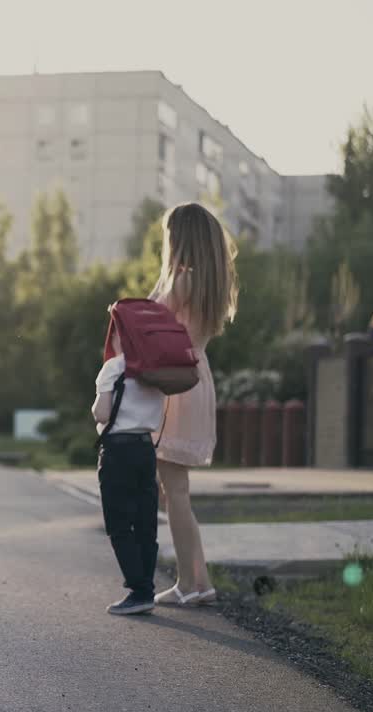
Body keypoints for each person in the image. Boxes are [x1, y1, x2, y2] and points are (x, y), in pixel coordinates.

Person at [146, 203, 237, 606]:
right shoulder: (204, 283)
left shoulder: (182, 283)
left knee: (175, 489)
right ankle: (198, 582)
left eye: (169, 236)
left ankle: (190, 583)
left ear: (181, 240)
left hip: (177, 385)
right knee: (175, 489)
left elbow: (150, 323)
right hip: (194, 380)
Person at [91, 326, 165, 615]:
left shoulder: (114, 366)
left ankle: (140, 590)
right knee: (146, 522)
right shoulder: (155, 366)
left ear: (119, 336)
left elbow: (102, 413)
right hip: (146, 449)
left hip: (117, 452)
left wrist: (96, 403)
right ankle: (146, 588)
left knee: (120, 524)